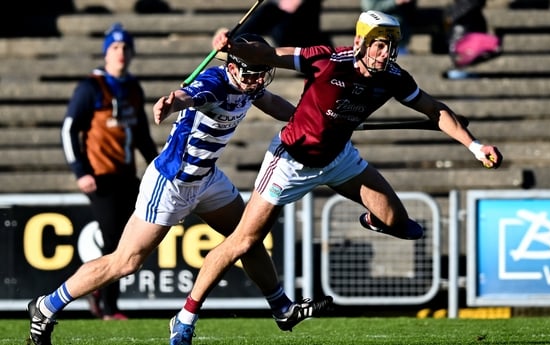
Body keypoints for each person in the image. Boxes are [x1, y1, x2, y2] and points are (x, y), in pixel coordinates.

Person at [171, 8, 503, 341]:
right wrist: (235, 47)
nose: (384, 53)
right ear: (360, 41)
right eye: (378, 45)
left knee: (401, 225)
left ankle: (371, 220)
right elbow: (272, 55)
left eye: (390, 46)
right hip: (291, 161)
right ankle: (186, 318)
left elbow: (435, 110)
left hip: (339, 159)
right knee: (244, 241)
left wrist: (475, 146)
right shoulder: (327, 60)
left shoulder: (394, 77)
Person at [28, 33, 332, 345]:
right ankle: (46, 306)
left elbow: (273, 103)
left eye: (261, 74)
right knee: (126, 262)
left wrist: (313, 120)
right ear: (233, 68)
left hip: (208, 180)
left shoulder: (250, 86)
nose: (258, 81)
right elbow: (191, 95)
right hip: (172, 182)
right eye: (252, 74)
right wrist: (173, 102)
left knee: (247, 238)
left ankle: (281, 308)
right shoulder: (215, 81)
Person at [60, 22, 159, 321]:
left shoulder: (132, 88)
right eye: (115, 47)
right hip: (100, 177)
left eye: (126, 47)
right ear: (106, 53)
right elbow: (68, 130)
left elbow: (141, 134)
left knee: (128, 243)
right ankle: (106, 306)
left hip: (127, 176)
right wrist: (80, 171)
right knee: (114, 240)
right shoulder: (91, 87)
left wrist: (156, 166)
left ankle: (99, 295)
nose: (121, 53)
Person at [234, 0, 332, 47]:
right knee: (263, 15)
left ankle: (321, 48)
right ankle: (235, 42)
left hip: (304, 8)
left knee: (281, 34)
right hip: (277, 6)